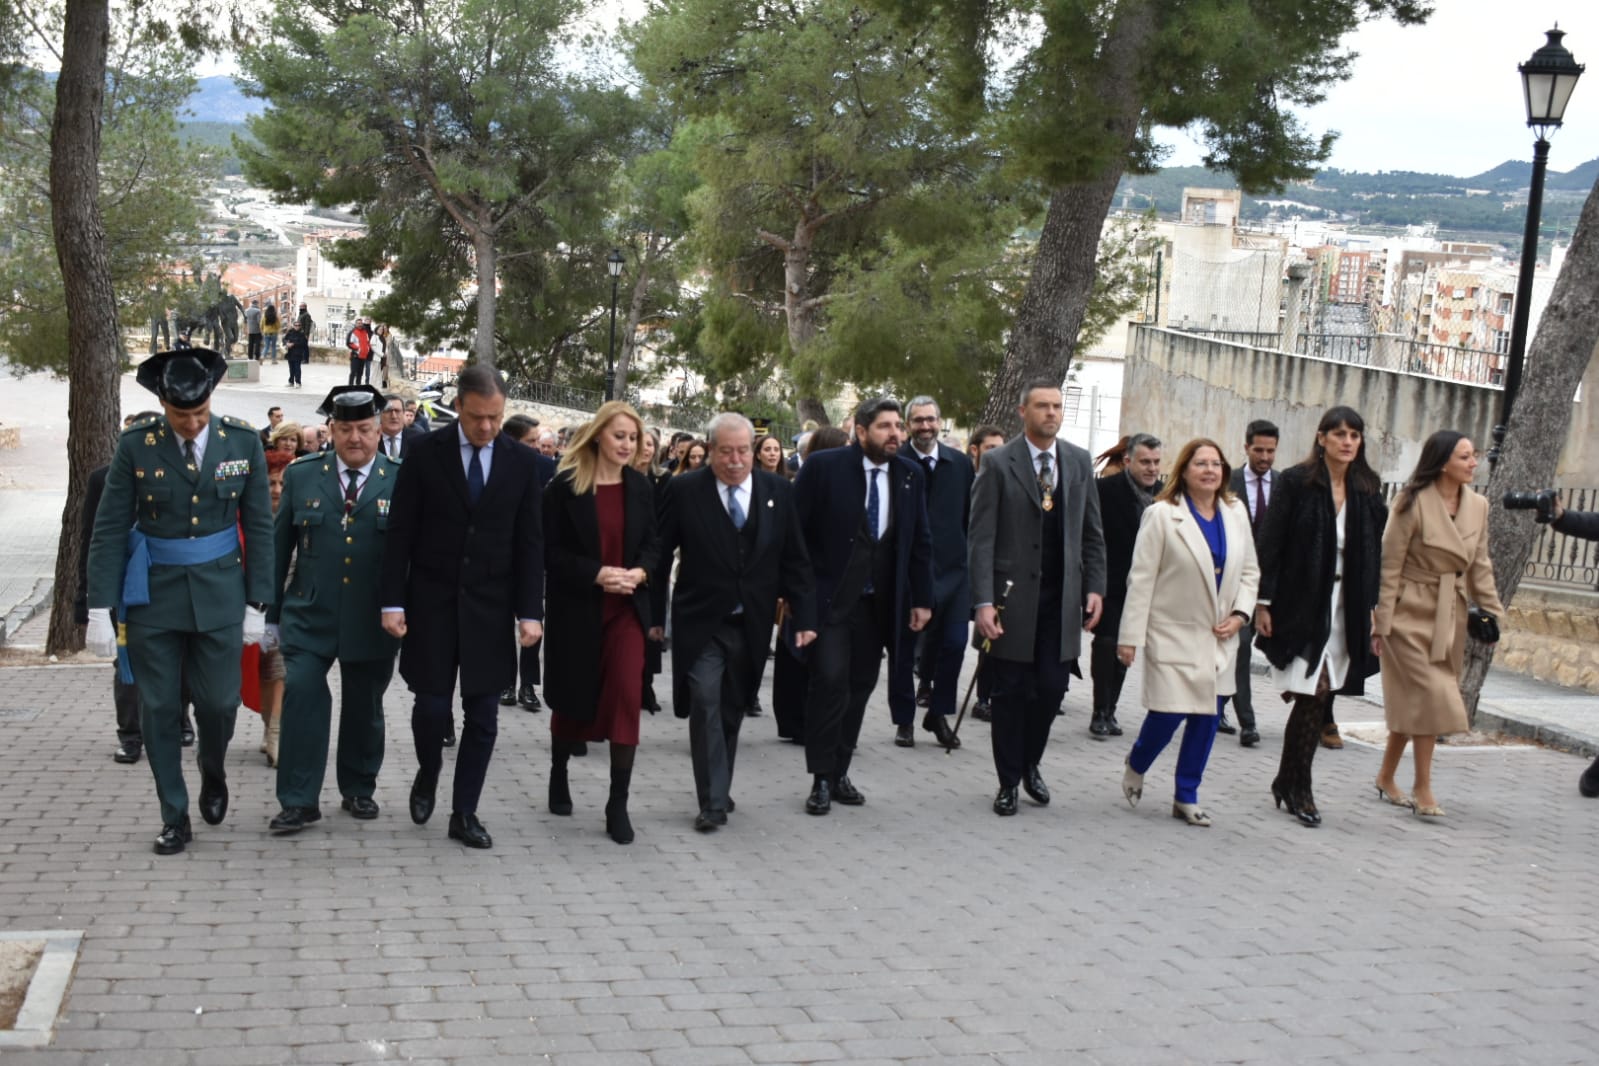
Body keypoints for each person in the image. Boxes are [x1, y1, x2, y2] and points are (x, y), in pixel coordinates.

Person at [85, 348, 273, 854]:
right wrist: (98, 607)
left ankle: (213, 771)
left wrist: (259, 603)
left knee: (219, 703)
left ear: (211, 402)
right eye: (180, 415)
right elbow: (107, 530)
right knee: (159, 709)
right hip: (154, 596)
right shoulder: (137, 447)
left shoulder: (241, 442)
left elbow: (258, 526)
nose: (191, 425)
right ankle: (174, 814)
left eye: (199, 414)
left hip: (219, 592)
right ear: (162, 406)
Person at [379, 364, 545, 850]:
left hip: (491, 607)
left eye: (496, 417)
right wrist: (392, 600)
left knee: (485, 716)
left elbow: (530, 542)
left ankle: (464, 811)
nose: (487, 427)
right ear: (458, 408)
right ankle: (428, 771)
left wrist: (530, 611)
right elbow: (401, 532)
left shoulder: (520, 462)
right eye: (477, 418)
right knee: (431, 707)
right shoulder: (426, 451)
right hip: (431, 602)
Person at [657, 413, 817, 831]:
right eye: (725, 451)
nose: (734, 460)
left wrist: (804, 615)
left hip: (752, 622)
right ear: (709, 451)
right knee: (705, 700)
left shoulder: (778, 491)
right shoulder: (684, 489)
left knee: (731, 708)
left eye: (742, 451)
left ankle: (719, 782)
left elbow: (796, 557)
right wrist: (652, 616)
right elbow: (657, 553)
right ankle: (711, 801)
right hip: (700, 620)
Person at [264, 387, 402, 834]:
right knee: (303, 693)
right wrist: (267, 614)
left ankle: (359, 787)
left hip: (372, 615)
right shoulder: (304, 475)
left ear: (379, 431)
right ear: (331, 431)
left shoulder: (399, 478)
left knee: (365, 703)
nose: (355, 439)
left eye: (364, 429)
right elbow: (279, 545)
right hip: (309, 612)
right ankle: (299, 800)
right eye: (345, 430)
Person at [968, 379, 1107, 815]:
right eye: (1042, 406)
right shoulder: (996, 462)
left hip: (1061, 601)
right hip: (1013, 601)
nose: (1051, 413)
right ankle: (1008, 781)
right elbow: (981, 539)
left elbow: (1092, 534)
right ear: (1022, 411)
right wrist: (983, 601)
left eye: (1057, 406)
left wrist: (1095, 587)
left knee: (1050, 689)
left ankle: (1031, 763)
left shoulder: (1079, 462)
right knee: (1010, 693)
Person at [793, 396, 934, 815]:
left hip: (880, 606)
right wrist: (798, 598)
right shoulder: (825, 468)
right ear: (860, 431)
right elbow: (795, 535)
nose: (896, 435)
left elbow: (920, 541)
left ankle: (840, 771)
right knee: (830, 681)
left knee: (859, 688)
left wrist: (922, 598)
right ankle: (820, 777)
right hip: (831, 602)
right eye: (886, 427)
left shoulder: (909, 475)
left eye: (899, 427)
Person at [1116, 439, 1259, 826]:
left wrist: (1241, 615)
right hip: (1172, 631)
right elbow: (1141, 579)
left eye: (1216, 463)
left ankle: (1186, 795)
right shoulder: (1162, 515)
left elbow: (1250, 572)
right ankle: (1138, 760)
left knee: (1207, 717)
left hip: (1219, 634)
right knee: (1169, 712)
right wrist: (1130, 637)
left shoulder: (1235, 513)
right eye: (1201, 464)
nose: (1210, 470)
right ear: (1185, 469)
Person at [1255, 406, 1386, 828]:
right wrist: (1263, 601)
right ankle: (1301, 788)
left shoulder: (1367, 488)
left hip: (1346, 605)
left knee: (1320, 694)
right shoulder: (1296, 482)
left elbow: (1374, 555)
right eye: (1340, 434)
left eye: (1355, 434)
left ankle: (1285, 781)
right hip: (1303, 604)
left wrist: (1375, 612)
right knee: (1315, 692)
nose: (1348, 442)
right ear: (1322, 437)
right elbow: (1271, 544)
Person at [542, 402, 660, 844]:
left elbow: (654, 544)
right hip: (579, 609)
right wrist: (594, 573)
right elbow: (548, 552)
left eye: (633, 437)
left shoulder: (641, 487)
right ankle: (558, 772)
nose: (628, 445)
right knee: (574, 697)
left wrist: (641, 572)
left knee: (627, 696)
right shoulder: (565, 488)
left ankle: (618, 803)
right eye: (619, 436)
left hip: (627, 611)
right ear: (597, 437)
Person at [1371, 432, 1503, 818]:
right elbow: (1390, 565)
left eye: (1474, 455)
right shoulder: (1410, 501)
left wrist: (1494, 612)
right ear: (1444, 461)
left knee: (1418, 697)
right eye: (1465, 456)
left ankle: (1385, 776)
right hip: (1408, 612)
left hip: (1450, 614)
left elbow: (1479, 564)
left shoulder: (1478, 506)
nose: (1473, 462)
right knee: (1430, 694)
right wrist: (1381, 622)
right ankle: (1423, 786)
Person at [76, 411, 163, 765]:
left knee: (180, 659)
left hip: (168, 579)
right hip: (125, 584)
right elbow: (92, 540)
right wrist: (89, 600)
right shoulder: (105, 478)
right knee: (126, 661)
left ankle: (179, 719)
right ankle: (130, 734)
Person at [888, 396, 973, 749]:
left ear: (941, 422)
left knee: (955, 645)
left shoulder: (961, 464)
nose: (925, 426)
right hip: (908, 576)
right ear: (908, 425)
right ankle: (905, 719)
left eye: (931, 419)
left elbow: (970, 517)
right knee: (904, 651)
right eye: (918, 420)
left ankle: (938, 713)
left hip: (954, 573)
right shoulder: (895, 464)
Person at [770, 424, 850, 743]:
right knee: (795, 649)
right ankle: (793, 720)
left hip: (835, 582)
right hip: (806, 579)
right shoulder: (811, 478)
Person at [1091, 433, 1162, 739]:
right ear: (1129, 461)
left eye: (1156, 462)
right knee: (1106, 643)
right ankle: (1099, 710)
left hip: (1145, 587)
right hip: (1110, 581)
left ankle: (1111, 709)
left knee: (1125, 648)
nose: (1151, 468)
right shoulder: (1105, 490)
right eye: (1145, 461)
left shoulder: (1165, 496)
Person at [1223, 418, 1278, 747]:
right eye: (1259, 450)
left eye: (1271, 451)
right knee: (1240, 647)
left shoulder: (1285, 486)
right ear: (1246, 448)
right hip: (1235, 584)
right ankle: (1248, 721)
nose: (1265, 457)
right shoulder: (1227, 483)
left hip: (1272, 586)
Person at [499, 414, 557, 711]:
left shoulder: (547, 468)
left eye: (538, 441)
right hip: (500, 557)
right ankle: (506, 682)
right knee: (501, 623)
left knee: (533, 619)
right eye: (530, 441)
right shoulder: (495, 466)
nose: (536, 447)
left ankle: (528, 685)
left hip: (534, 557)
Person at [255, 448, 296, 767]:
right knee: (263, 672)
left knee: (278, 669)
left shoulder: (297, 513)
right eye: (271, 483)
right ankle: (268, 725)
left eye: (283, 483)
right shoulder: (250, 517)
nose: (277, 489)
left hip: (289, 606)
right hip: (251, 606)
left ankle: (277, 734)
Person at [966, 424, 1007, 724]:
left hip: (1003, 570)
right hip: (974, 568)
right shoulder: (973, 480)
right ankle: (982, 697)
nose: (998, 455)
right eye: (992, 449)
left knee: (999, 640)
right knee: (986, 641)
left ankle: (993, 695)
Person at [377, 394, 424, 461]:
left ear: (403, 413)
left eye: (397, 411)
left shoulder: (418, 439)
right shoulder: (370, 439)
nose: (394, 416)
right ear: (379, 414)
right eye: (388, 411)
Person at [346, 317, 373, 385]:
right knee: (353, 373)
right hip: (355, 356)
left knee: (360, 374)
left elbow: (368, 342)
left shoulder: (365, 332)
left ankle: (358, 387)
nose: (360, 324)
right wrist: (358, 349)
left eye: (361, 323)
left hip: (363, 356)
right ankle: (350, 387)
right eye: (358, 323)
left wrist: (368, 349)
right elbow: (349, 343)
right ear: (355, 324)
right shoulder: (353, 332)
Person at [281, 322, 309, 388]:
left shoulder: (302, 334)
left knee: (297, 368)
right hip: (290, 353)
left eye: (298, 325)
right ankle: (291, 382)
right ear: (293, 326)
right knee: (291, 369)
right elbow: (284, 339)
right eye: (296, 325)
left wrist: (293, 344)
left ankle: (298, 382)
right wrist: (286, 343)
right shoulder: (290, 332)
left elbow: (303, 343)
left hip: (298, 353)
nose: (297, 326)